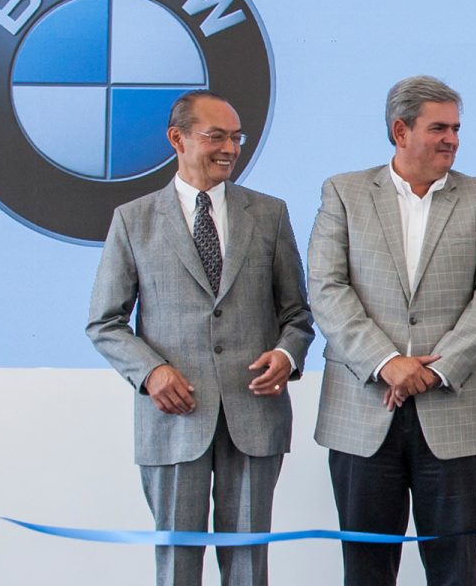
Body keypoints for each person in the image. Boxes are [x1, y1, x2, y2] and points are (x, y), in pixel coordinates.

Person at [86, 90, 315, 586]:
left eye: (236, 137)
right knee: (176, 567)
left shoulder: (269, 214)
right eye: (216, 136)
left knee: (249, 567)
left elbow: (297, 313)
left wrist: (286, 354)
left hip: (254, 417)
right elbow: (104, 322)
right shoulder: (134, 219)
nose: (230, 148)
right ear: (177, 139)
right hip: (173, 420)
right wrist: (151, 373)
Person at [307, 75, 476, 586]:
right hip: (362, 412)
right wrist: (387, 362)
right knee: (366, 571)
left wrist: (436, 369)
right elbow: (326, 289)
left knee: (454, 571)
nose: (452, 139)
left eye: (456, 128)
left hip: (454, 408)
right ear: (400, 130)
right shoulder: (344, 192)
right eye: (439, 127)